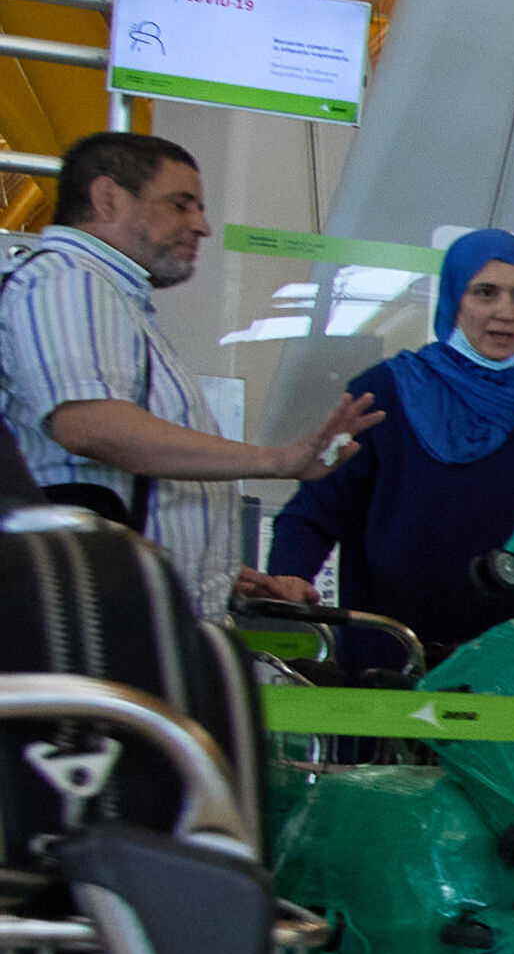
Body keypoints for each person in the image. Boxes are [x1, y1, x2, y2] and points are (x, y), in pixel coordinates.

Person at [0, 130, 361, 611]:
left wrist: (221, 575)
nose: (202, 226)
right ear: (107, 198)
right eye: (181, 204)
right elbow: (89, 425)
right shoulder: (70, 282)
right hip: (98, 617)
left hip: (131, 607)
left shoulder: (110, 298)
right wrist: (274, 460)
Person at [240, 228, 514, 659]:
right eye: (485, 293)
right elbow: (314, 511)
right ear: (454, 299)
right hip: (391, 658)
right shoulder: (385, 393)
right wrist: (289, 576)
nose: (505, 312)